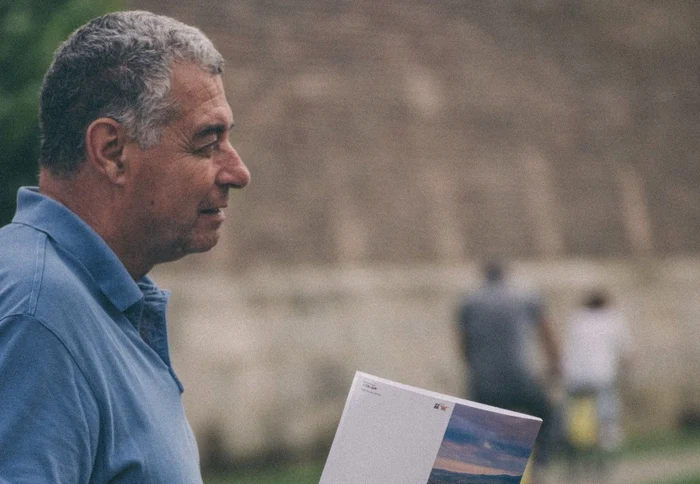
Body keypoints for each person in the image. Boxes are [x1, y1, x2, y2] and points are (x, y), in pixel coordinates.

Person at [0, 11, 250, 483]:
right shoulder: (37, 316)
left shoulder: (87, 298)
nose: (238, 172)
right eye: (206, 142)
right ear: (112, 151)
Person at [456, 261, 561, 477]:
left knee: (479, 430)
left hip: (484, 382)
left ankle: (485, 474)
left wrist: (474, 369)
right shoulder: (525, 296)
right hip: (520, 378)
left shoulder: (469, 302)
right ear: (506, 275)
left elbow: (463, 344)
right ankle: (538, 465)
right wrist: (555, 365)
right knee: (549, 416)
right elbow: (547, 333)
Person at [562, 290, 633, 457]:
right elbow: (627, 351)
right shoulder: (613, 318)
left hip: (575, 376)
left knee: (575, 406)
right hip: (601, 375)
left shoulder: (577, 318)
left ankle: (574, 438)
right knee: (607, 403)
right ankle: (607, 439)